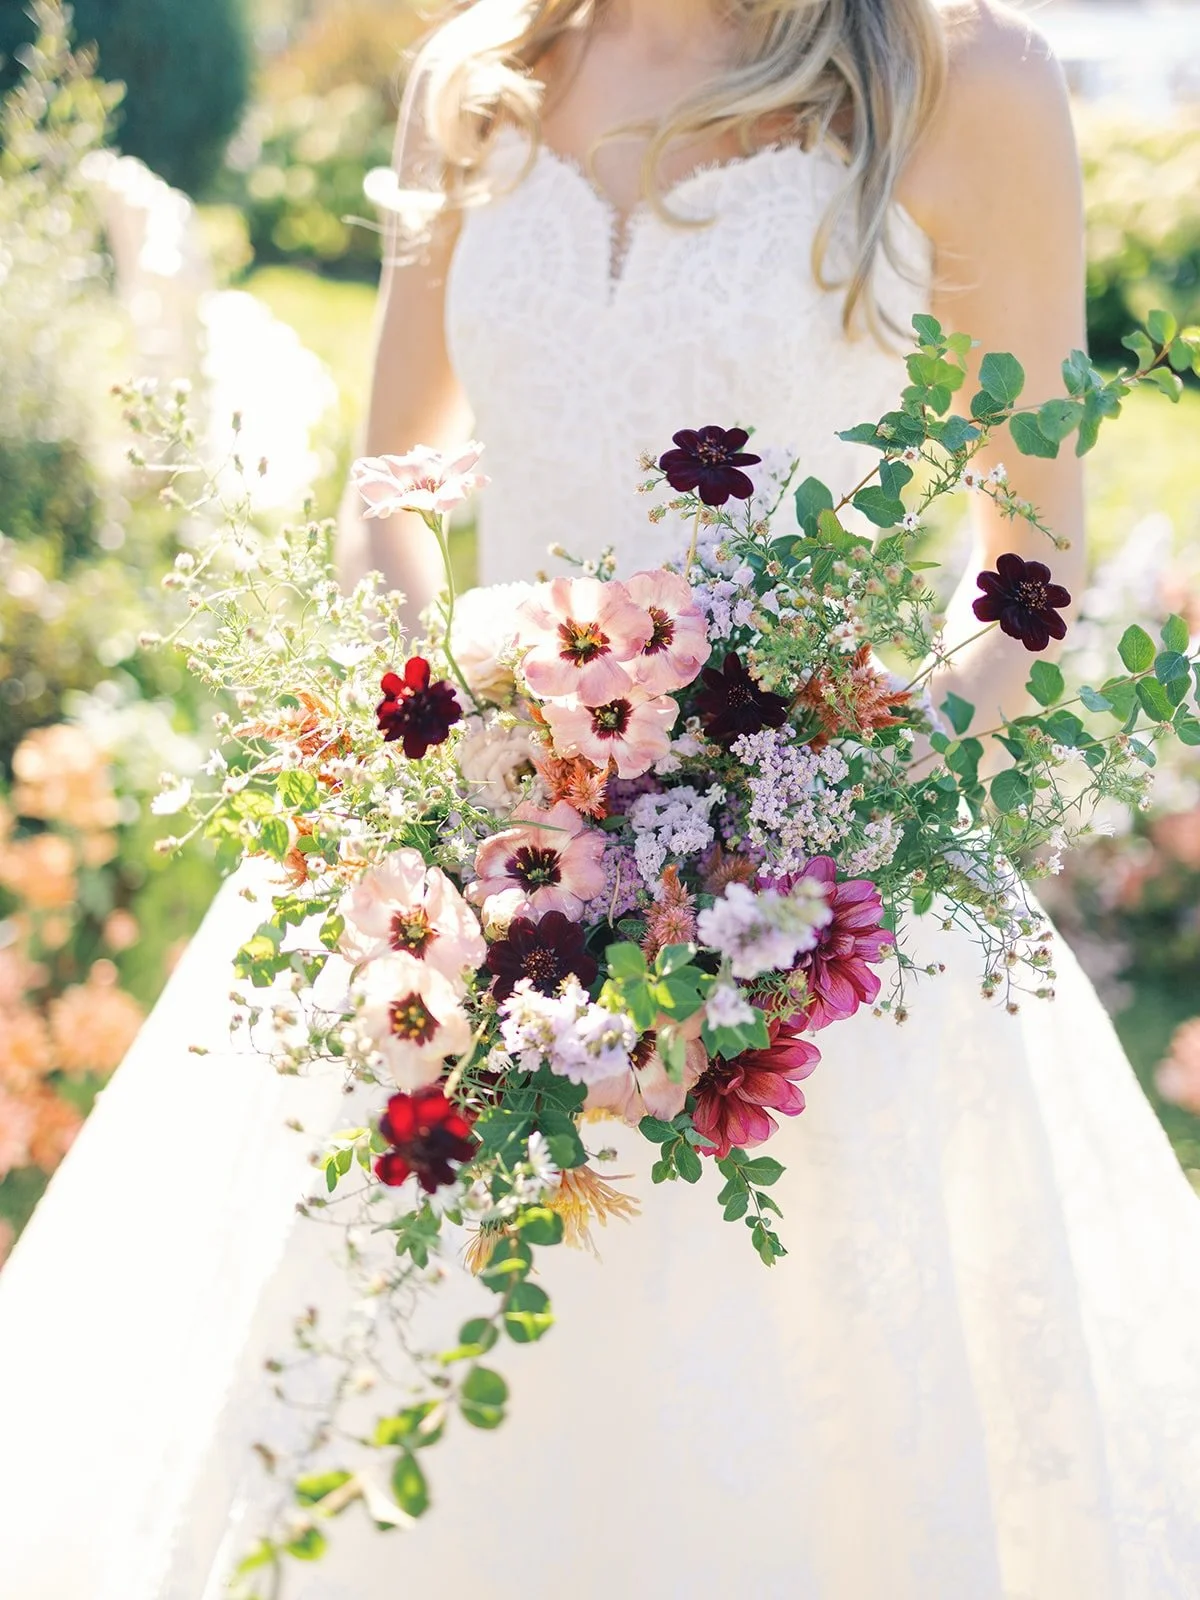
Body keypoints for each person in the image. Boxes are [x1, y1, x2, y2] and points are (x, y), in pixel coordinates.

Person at [0, 0, 1197, 1596]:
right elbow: (392, 493)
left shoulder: (961, 81)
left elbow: (1026, 556)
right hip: (467, 891)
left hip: (819, 932)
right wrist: (426, 764)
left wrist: (823, 832)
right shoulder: (476, 78)